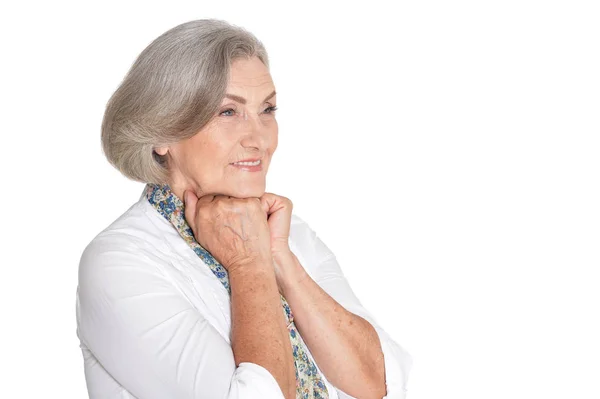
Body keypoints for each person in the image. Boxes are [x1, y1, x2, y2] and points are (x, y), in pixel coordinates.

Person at [75, 18, 412, 399]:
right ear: (163, 132)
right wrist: (249, 263)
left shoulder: (287, 232)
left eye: (267, 110)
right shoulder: (119, 263)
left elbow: (380, 383)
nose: (259, 139)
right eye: (228, 112)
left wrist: (279, 260)